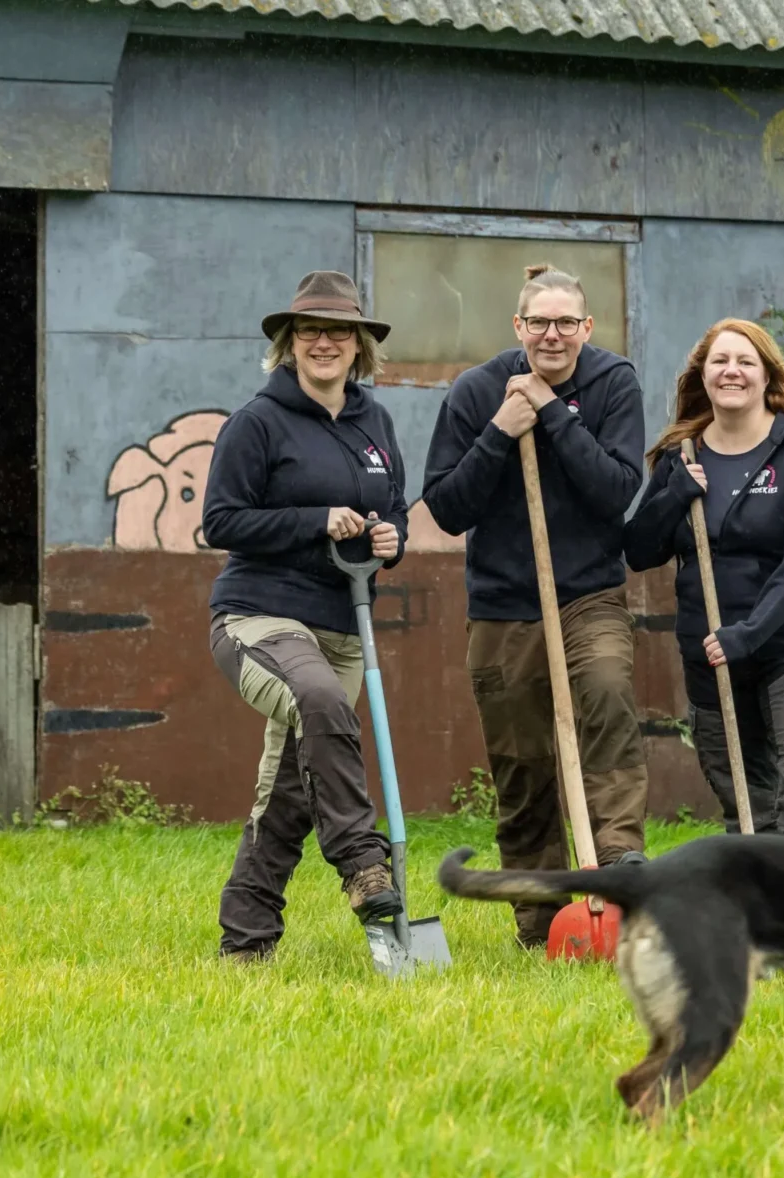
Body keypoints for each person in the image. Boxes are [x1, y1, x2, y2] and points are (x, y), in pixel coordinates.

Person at [421, 264, 648, 948]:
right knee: (521, 760)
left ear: (587, 328)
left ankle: (620, 869)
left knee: (605, 694)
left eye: (566, 323)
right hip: (503, 603)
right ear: (518, 327)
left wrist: (551, 413)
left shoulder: (612, 385)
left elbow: (616, 492)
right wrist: (500, 431)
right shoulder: (476, 392)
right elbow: (447, 506)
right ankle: (539, 917)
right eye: (539, 323)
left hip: (588, 594)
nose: (553, 334)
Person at [202, 269, 411, 962]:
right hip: (259, 620)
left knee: (290, 790)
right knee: (319, 700)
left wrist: (391, 540)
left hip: (346, 623)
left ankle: (246, 942)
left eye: (339, 332)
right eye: (311, 332)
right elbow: (222, 520)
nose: (325, 343)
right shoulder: (256, 423)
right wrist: (314, 519)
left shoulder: (374, 422)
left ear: (359, 345)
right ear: (290, 344)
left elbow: (396, 510)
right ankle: (362, 862)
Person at [624, 319, 784, 839]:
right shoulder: (680, 456)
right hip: (711, 655)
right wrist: (673, 494)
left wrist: (748, 633)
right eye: (720, 361)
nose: (732, 371)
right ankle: (764, 918)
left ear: (766, 376)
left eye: (745, 361)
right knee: (749, 812)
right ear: (702, 376)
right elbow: (639, 550)